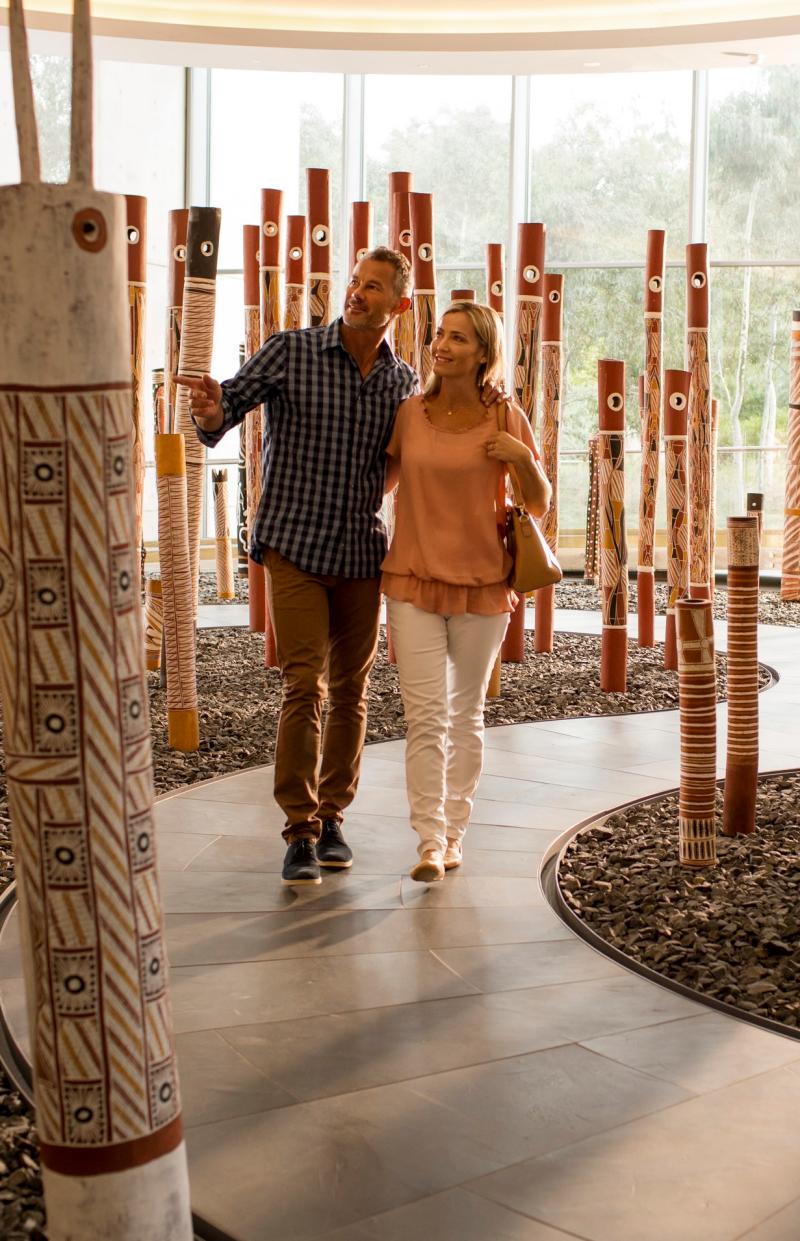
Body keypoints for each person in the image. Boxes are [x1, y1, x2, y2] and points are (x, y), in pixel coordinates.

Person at [176, 252, 503, 887]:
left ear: (398, 306)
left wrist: (484, 393)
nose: (356, 293)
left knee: (352, 692)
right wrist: (211, 409)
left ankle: (332, 818)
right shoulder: (291, 350)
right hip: (293, 547)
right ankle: (298, 830)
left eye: (373, 287)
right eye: (355, 282)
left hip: (360, 553)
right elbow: (226, 411)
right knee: (306, 686)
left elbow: (416, 446)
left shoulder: (402, 384)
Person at [381, 300, 552, 883]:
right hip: (412, 579)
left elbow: (537, 502)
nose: (442, 345)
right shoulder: (409, 413)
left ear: (483, 353)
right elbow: (381, 483)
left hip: (484, 584)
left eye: (457, 338)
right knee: (425, 717)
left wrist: (520, 457)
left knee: (466, 713)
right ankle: (429, 841)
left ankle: (455, 833)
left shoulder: (504, 417)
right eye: (439, 335)